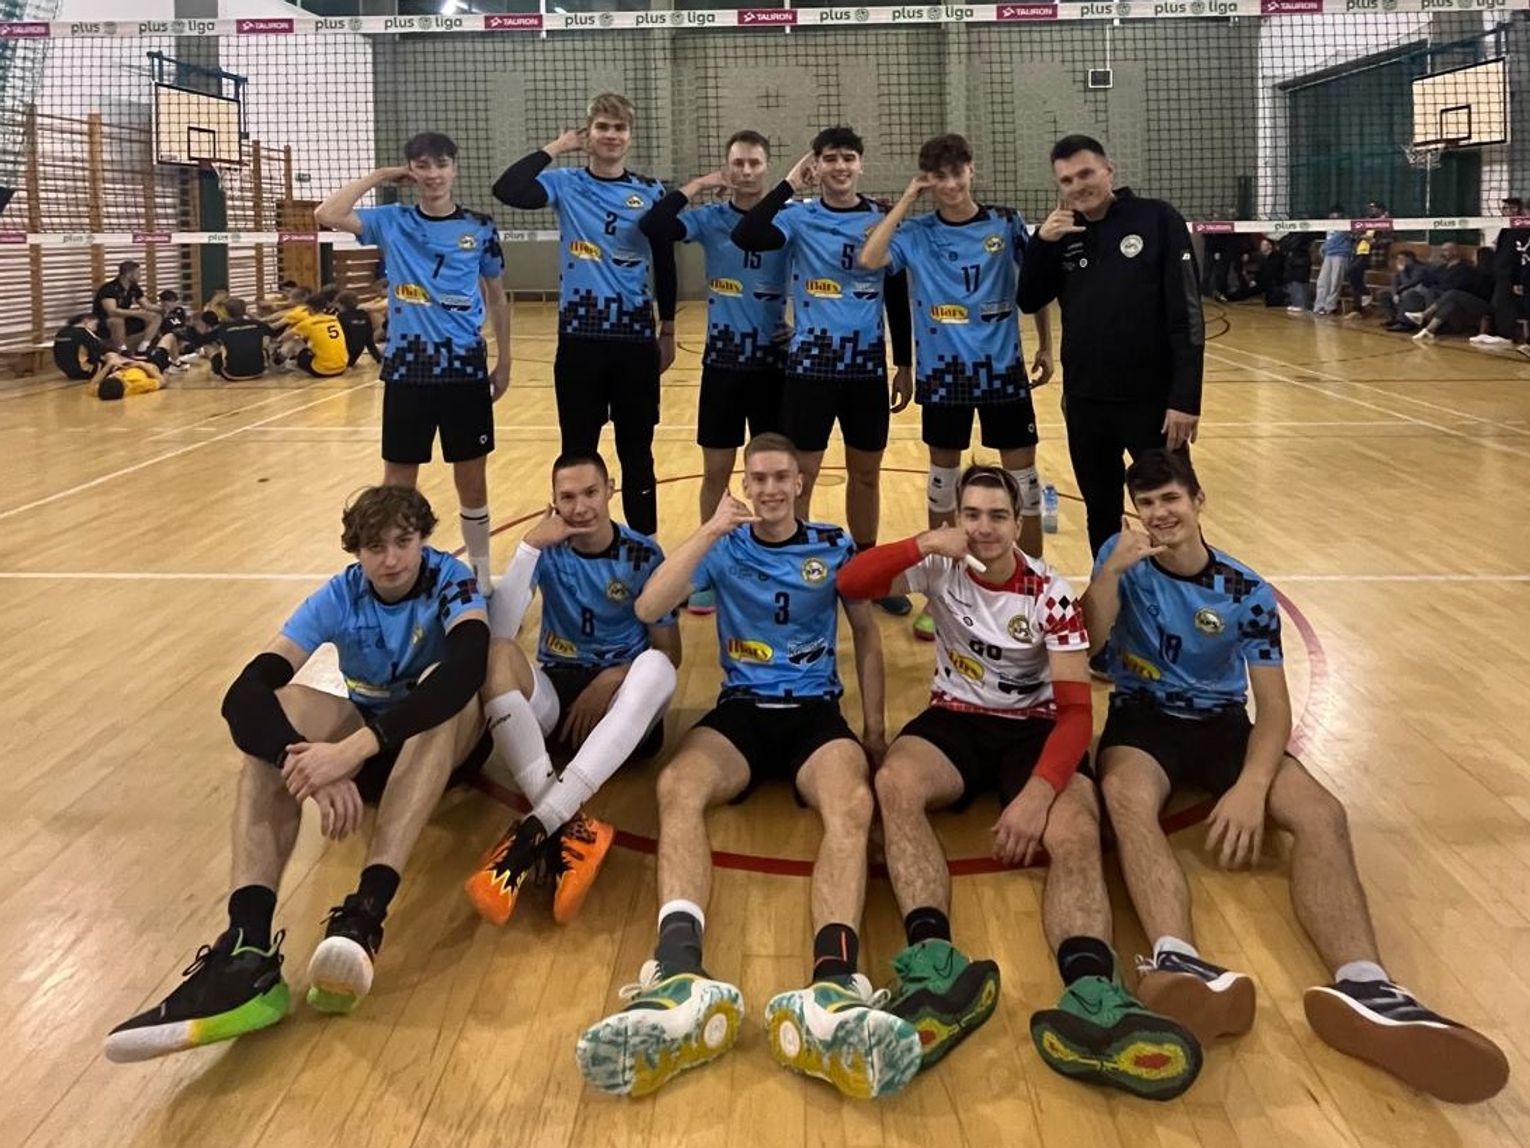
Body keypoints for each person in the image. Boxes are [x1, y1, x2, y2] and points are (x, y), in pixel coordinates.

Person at [1084, 450, 1510, 1104]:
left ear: (1198, 501)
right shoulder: (1123, 561)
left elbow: (1274, 707)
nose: (1160, 514)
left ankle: (1368, 987)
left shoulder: (1246, 590)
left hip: (1222, 723)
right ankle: (1179, 960)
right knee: (1122, 795)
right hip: (1142, 717)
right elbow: (1092, 641)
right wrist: (1110, 571)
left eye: (1171, 499)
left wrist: (1252, 786)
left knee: (1322, 812)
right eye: (1147, 504)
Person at [575, 432, 922, 1100]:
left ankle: (835, 982)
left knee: (853, 805)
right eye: (756, 479)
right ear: (745, 484)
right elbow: (648, 606)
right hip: (742, 711)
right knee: (677, 785)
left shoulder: (834, 545)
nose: (767, 490)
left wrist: (876, 728)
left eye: (779, 478)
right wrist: (710, 530)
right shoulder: (725, 547)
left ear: (799, 483)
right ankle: (677, 969)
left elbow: (868, 638)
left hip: (814, 714)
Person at [836, 465, 1201, 1098]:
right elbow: (851, 582)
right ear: (956, 518)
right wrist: (923, 543)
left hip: (1035, 728)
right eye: (971, 515)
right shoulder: (940, 566)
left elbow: (1077, 714)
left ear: (1017, 522)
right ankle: (933, 966)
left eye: (997, 516)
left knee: (1076, 829)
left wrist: (1038, 794)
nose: (983, 528)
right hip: (956, 718)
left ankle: (1094, 995)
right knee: (894, 784)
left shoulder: (1048, 592)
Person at [104, 487, 500, 1062]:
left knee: (445, 690)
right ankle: (247, 949)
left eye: (403, 542)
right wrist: (299, 759)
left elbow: (467, 668)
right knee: (280, 708)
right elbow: (244, 693)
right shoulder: (340, 593)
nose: (391, 559)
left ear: (424, 540)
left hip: (442, 741)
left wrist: (353, 749)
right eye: (375, 547)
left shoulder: (450, 579)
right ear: (356, 551)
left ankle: (365, 914)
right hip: (368, 741)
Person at [465, 451, 681, 926]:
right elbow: (500, 631)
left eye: (590, 493)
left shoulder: (644, 554)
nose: (580, 507)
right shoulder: (548, 551)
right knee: (497, 655)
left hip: (624, 702)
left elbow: (670, 653)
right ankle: (570, 827)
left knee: (653, 665)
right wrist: (528, 546)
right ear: (554, 502)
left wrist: (612, 677)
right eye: (567, 497)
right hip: (558, 703)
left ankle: (534, 830)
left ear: (610, 491)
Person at [859, 132, 1054, 640]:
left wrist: (1046, 344)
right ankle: (943, 592)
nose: (949, 185)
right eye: (938, 177)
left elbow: (1035, 285)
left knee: (1025, 484)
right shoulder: (917, 232)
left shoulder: (1005, 222)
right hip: (944, 376)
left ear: (972, 170)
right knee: (942, 485)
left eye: (956, 173)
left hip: (1003, 371)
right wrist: (908, 198)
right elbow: (870, 259)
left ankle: (1030, 586)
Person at [315, 131, 511, 593]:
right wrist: (383, 175)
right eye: (422, 165)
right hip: (408, 372)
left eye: (441, 164)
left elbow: (499, 298)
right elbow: (327, 214)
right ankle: (402, 570)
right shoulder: (392, 220)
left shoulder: (480, 227)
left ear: (454, 168)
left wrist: (504, 361)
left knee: (472, 481)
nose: (433, 174)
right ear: (411, 171)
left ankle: (481, 574)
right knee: (398, 484)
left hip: (464, 370)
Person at [732, 126, 916, 617]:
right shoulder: (799, 217)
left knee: (867, 475)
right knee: (804, 475)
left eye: (847, 157)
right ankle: (796, 566)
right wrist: (790, 182)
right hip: (810, 371)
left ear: (860, 164)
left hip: (865, 372)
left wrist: (903, 363)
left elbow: (896, 293)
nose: (839, 167)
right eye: (829, 158)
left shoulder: (881, 217)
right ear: (817, 165)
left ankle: (868, 569)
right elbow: (747, 233)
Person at [492, 93, 675, 537]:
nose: (611, 135)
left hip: (634, 342)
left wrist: (668, 329)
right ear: (588, 133)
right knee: (577, 450)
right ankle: (578, 547)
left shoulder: (651, 191)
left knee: (637, 451)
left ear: (630, 136)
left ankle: (645, 548)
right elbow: (507, 189)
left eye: (619, 128)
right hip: (580, 342)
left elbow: (666, 262)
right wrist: (555, 148)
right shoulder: (566, 184)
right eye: (602, 127)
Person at [1018, 133, 1204, 561]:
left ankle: (1186, 588)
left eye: (1085, 173)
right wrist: (1041, 244)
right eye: (1067, 180)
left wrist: (1185, 398)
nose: (1078, 186)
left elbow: (1188, 314)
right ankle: (1111, 594)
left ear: (1108, 171)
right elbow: (1029, 299)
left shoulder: (1157, 219)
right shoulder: (1063, 234)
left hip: (1152, 405)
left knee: (1171, 510)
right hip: (1086, 404)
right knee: (1101, 513)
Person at [638, 129, 788, 615]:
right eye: (737, 163)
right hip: (723, 363)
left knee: (771, 473)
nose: (746, 172)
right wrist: (700, 184)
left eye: (754, 163)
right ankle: (709, 563)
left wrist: (801, 323)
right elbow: (655, 224)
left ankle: (769, 559)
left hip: (773, 365)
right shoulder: (709, 219)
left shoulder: (789, 218)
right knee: (717, 470)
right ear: (728, 167)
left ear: (767, 167)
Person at [193, 297, 279, 381]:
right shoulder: (258, 324)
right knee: (266, 337)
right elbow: (274, 334)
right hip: (259, 371)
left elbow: (200, 341)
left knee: (208, 345)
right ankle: (266, 363)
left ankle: (216, 369)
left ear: (227, 312)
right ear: (245, 310)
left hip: (232, 374)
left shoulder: (222, 328)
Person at [1482, 196, 1528, 350]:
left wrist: (1517, 278)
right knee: (1498, 302)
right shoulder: (1505, 227)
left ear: (1519, 210)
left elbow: (1519, 253)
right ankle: (1498, 333)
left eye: (1512, 208)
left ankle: (1506, 336)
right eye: (1505, 208)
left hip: (1514, 273)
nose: (1508, 211)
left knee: (1506, 303)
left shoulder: (1522, 228)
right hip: (1502, 272)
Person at [93, 260, 162, 351]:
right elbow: (112, 311)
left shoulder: (134, 287)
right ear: (128, 274)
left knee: (155, 317)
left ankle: (143, 347)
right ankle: (122, 350)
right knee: (117, 320)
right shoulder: (109, 288)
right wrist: (137, 313)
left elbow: (147, 305)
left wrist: (163, 309)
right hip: (104, 321)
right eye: (138, 273)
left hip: (125, 317)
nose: (140, 276)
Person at [1379, 250, 1436, 330]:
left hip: (1420, 293)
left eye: (1401, 259)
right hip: (1405, 290)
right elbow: (1395, 283)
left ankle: (1404, 323)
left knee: (1407, 294)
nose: (1399, 261)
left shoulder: (1420, 268)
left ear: (1410, 259)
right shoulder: (1403, 269)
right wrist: (1395, 294)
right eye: (1398, 259)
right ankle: (1392, 318)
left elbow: (1411, 283)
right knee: (1384, 293)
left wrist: (1402, 272)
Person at [1312, 207, 1353, 316]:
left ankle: (1329, 307)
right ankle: (1319, 306)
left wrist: (1324, 247)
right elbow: (1329, 239)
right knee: (1322, 281)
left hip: (1340, 255)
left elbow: (1337, 238)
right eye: (1331, 217)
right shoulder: (1329, 225)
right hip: (1329, 255)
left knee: (1335, 282)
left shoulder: (1345, 226)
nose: (1333, 219)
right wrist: (1325, 249)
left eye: (1336, 217)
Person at [52, 313, 108, 380]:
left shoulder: (62, 332)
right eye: (95, 324)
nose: (95, 329)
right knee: (112, 361)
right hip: (84, 371)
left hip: (67, 370)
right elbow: (98, 349)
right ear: (86, 321)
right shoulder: (83, 332)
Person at [336, 289, 383, 368]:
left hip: (346, 352)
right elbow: (369, 341)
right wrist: (378, 359)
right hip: (357, 352)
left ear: (341, 304)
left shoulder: (340, 316)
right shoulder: (363, 314)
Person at [91, 351, 163, 400]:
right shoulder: (136, 386)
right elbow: (162, 381)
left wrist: (109, 365)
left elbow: (93, 384)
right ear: (124, 384)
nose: (118, 375)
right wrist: (141, 364)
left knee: (110, 354)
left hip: (121, 365)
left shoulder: (104, 391)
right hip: (146, 366)